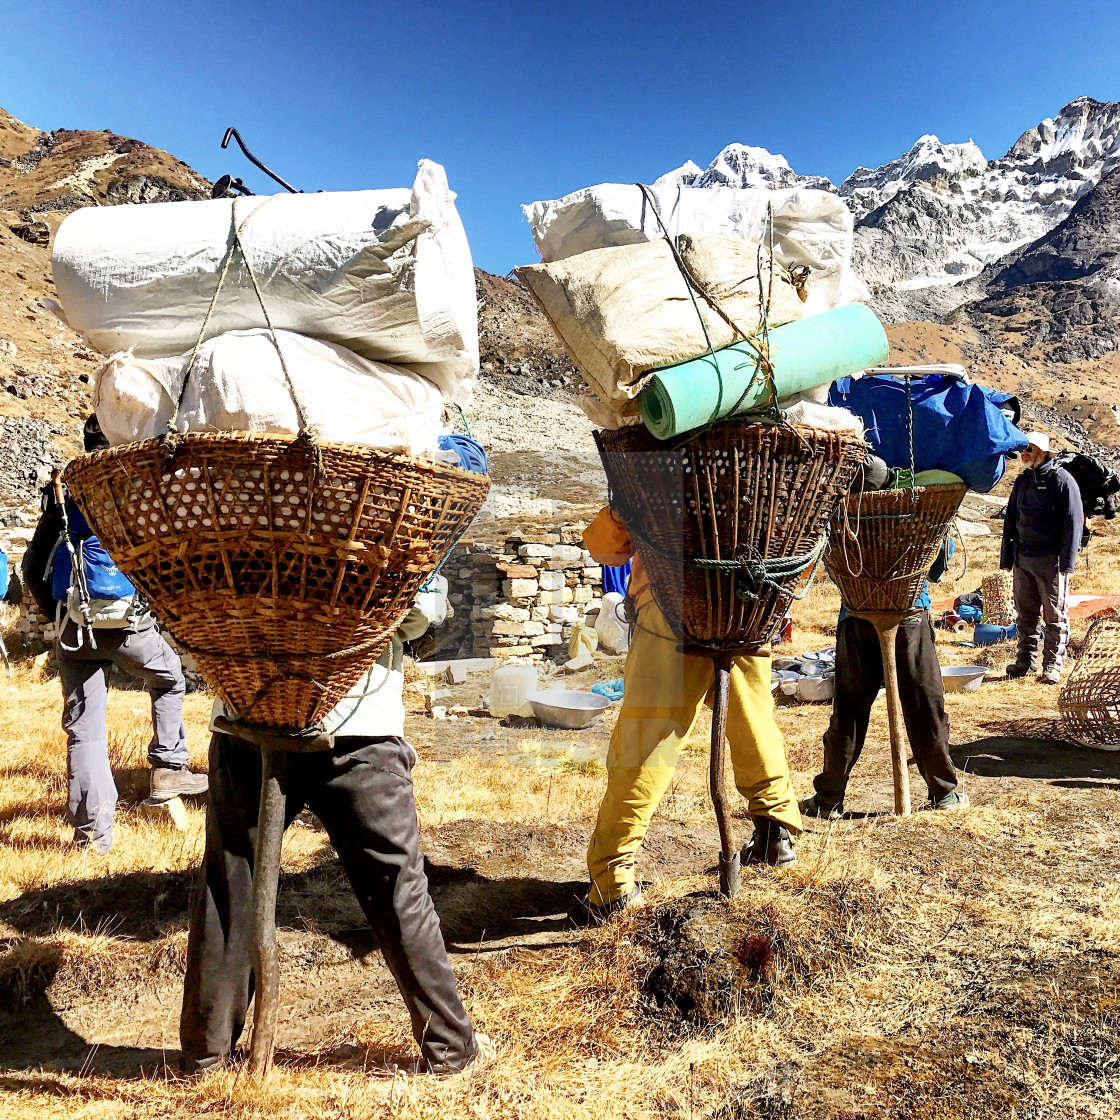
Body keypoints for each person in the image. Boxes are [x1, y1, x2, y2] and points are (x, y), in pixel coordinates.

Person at [180, 578, 492, 1076]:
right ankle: (452, 1051)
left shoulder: (232, 509)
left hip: (249, 713)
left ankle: (205, 1054)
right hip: (356, 722)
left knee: (231, 886)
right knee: (397, 888)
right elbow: (416, 614)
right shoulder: (389, 512)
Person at [573, 506, 801, 923]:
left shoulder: (656, 458)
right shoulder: (769, 468)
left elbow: (606, 549)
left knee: (648, 739)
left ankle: (611, 883)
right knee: (752, 719)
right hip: (752, 601)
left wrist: (623, 505)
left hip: (672, 604)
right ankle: (776, 833)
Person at [23, 416, 207, 854]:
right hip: (128, 624)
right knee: (169, 679)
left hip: (74, 627)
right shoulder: (135, 495)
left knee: (84, 729)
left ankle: (93, 838)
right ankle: (167, 768)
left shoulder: (65, 499)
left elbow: (32, 568)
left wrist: (58, 617)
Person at [800, 540, 968, 820]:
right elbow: (941, 546)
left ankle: (828, 798)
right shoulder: (920, 502)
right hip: (909, 613)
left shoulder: (846, 505)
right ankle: (944, 793)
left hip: (856, 612)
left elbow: (829, 555)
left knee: (849, 712)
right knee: (924, 703)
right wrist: (926, 573)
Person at [1001, 432, 1084, 684]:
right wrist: (1007, 559)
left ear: (1045, 452)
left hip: (1052, 561)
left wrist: (1067, 563)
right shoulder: (1022, 481)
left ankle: (1052, 666)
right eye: (1023, 448)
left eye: (1031, 448)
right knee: (1025, 613)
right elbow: (1010, 521)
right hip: (1023, 559)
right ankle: (1025, 661)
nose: (1025, 453)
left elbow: (1074, 522)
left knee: (1054, 616)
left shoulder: (1062, 480)